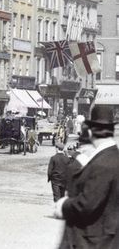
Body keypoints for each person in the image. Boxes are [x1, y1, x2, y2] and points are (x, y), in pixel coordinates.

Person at [54, 106, 119, 248]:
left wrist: (63, 205)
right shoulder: (113, 157)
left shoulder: (103, 164)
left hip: (96, 241)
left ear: (90, 132)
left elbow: (87, 204)